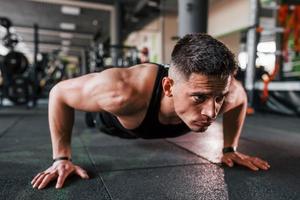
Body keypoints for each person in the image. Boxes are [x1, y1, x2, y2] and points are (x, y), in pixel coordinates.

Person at [31, 33, 270, 190]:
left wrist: (230, 148)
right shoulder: (121, 92)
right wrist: (61, 158)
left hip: (149, 125)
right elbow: (59, 93)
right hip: (109, 122)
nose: (211, 111)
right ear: (168, 87)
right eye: (199, 97)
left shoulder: (227, 93)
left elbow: (240, 99)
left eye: (219, 98)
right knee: (94, 109)